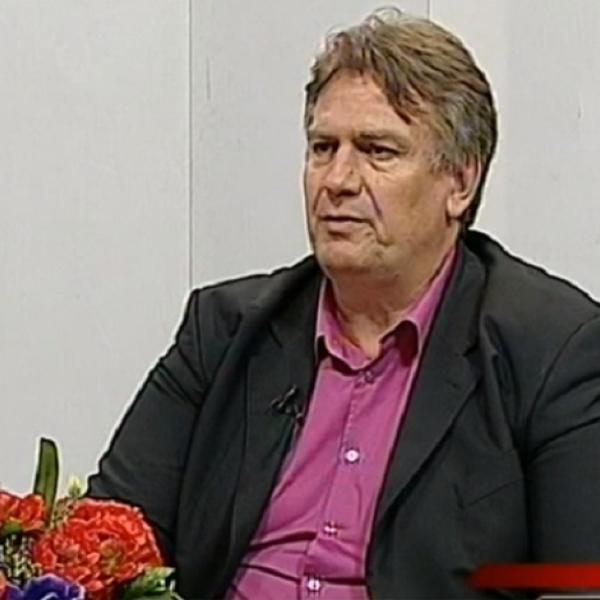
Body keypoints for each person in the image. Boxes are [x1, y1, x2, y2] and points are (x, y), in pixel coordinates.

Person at [88, 8, 600, 599]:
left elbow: (579, 588)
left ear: (460, 182)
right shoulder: (225, 331)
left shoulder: (553, 351)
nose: (338, 180)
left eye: (378, 151)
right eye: (322, 148)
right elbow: (105, 545)